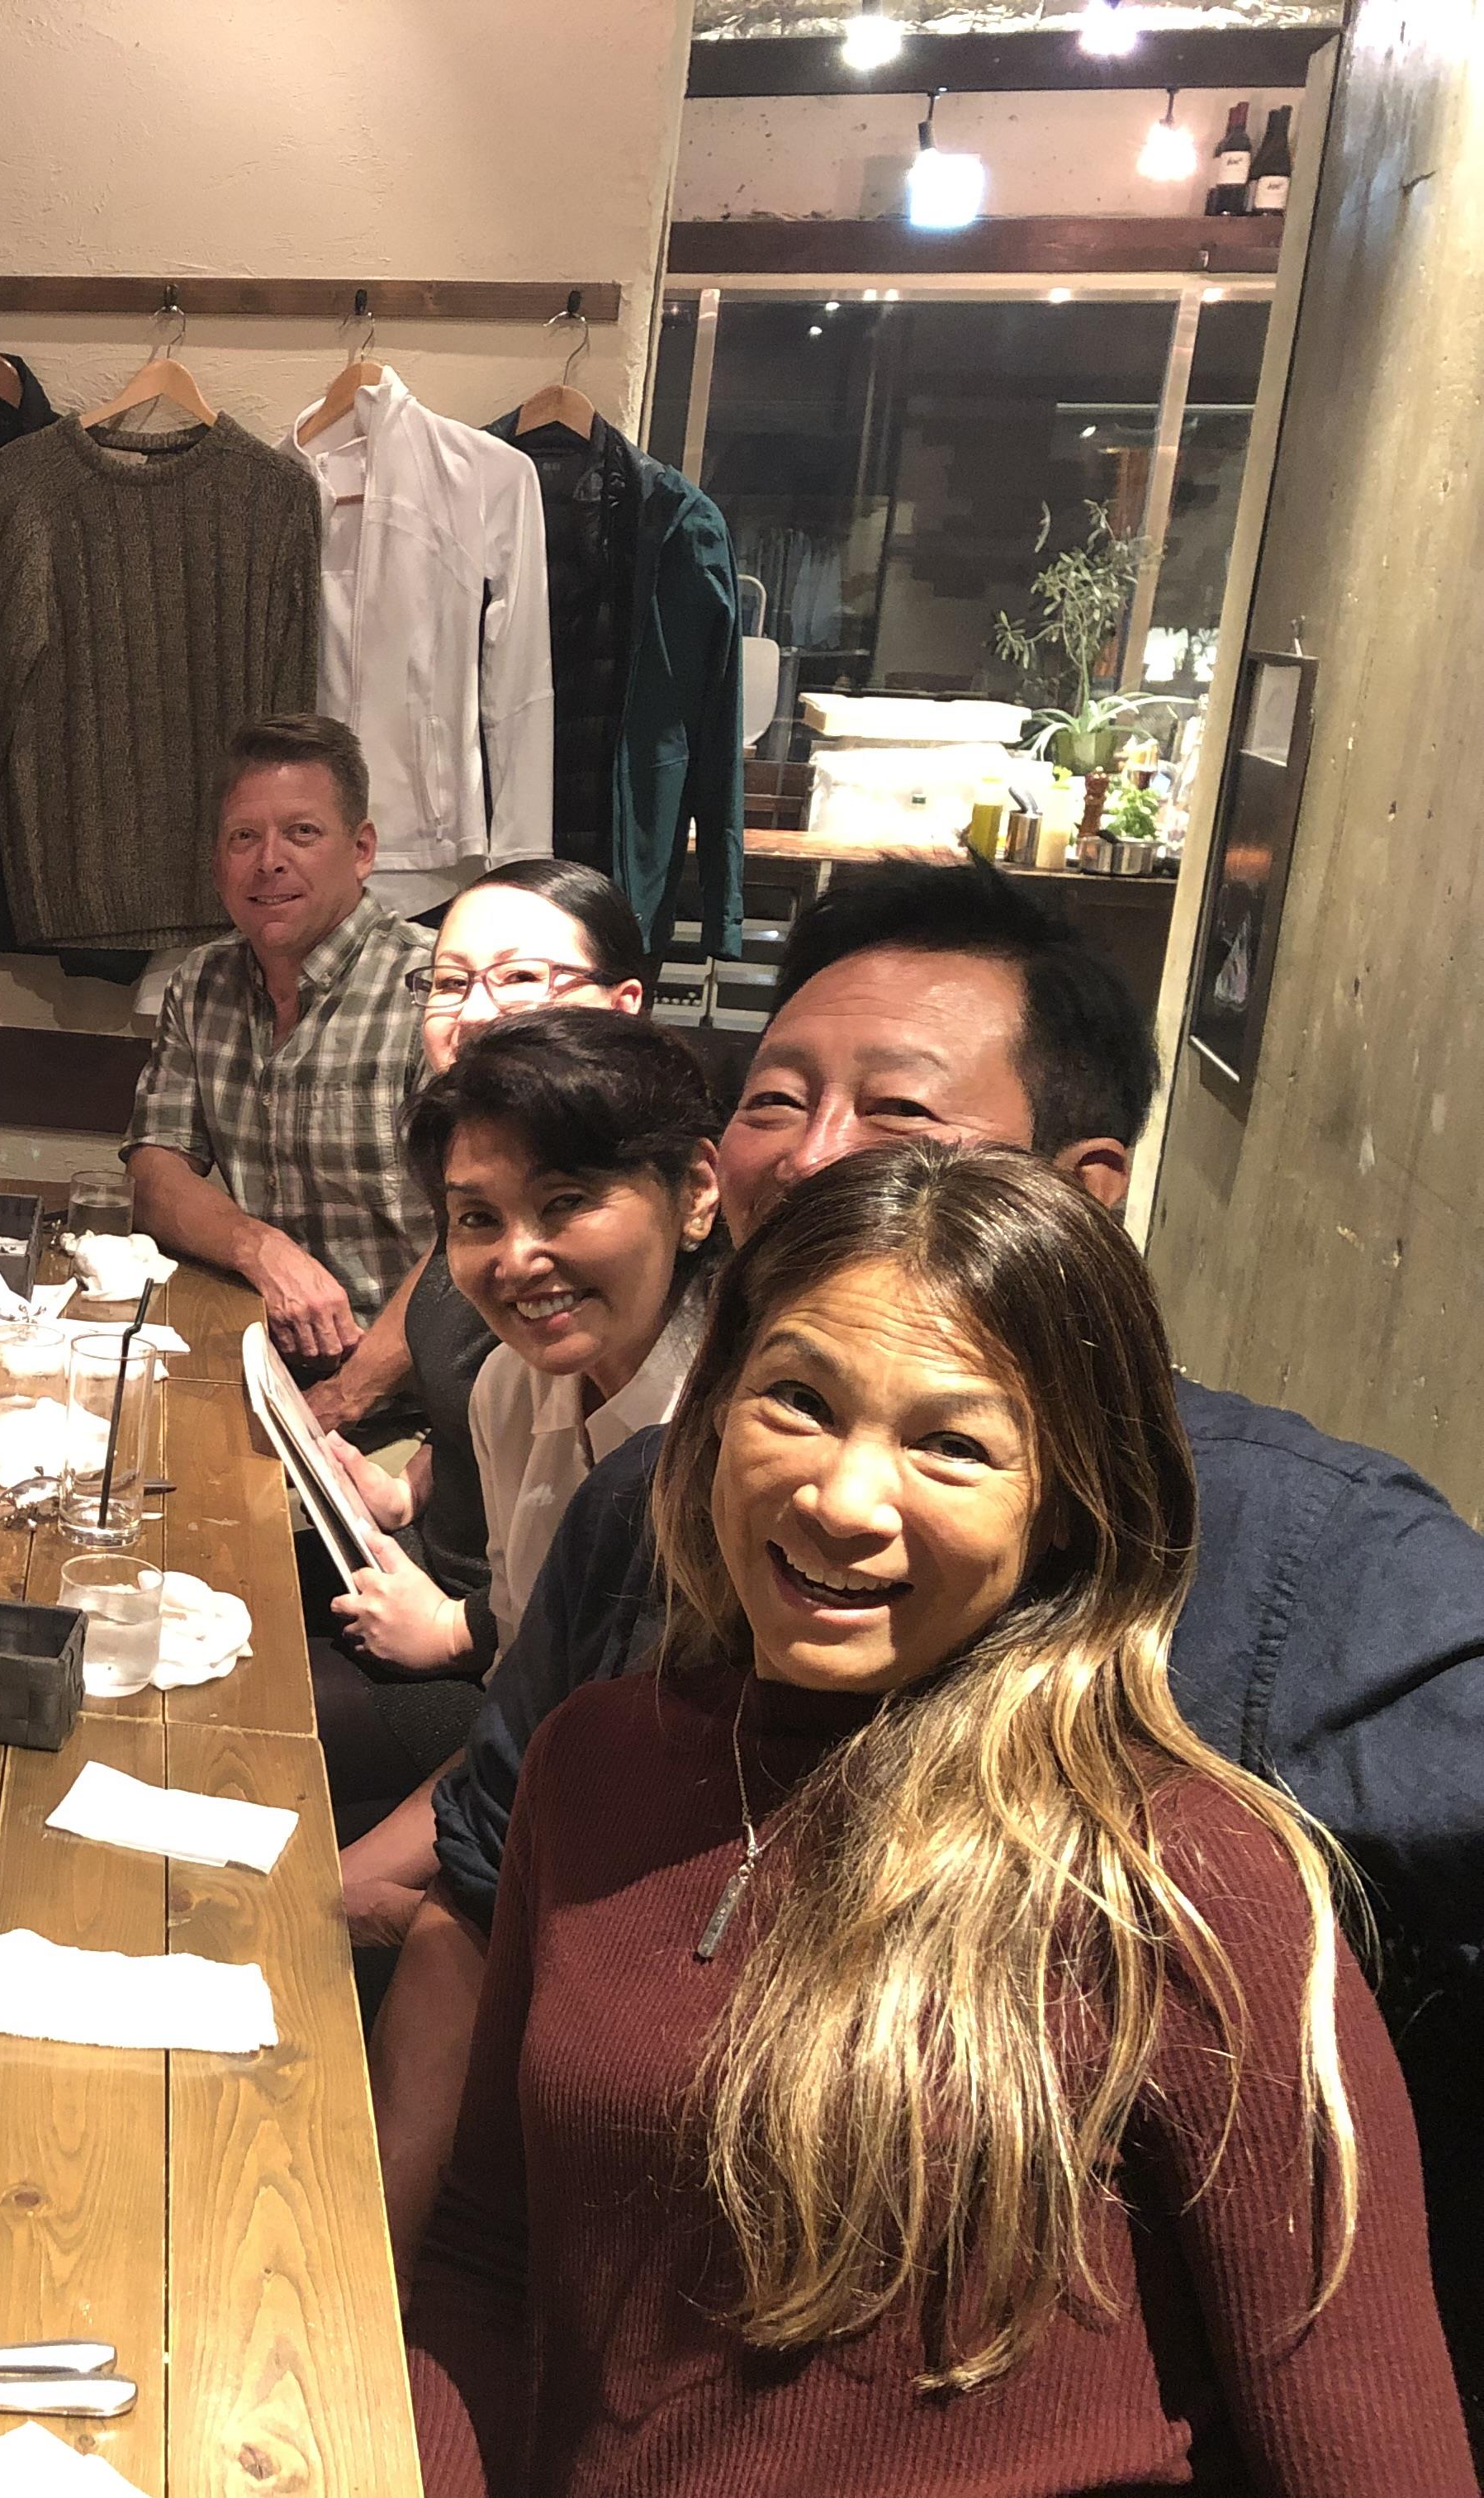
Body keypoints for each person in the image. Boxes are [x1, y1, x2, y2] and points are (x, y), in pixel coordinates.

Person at [368, 865, 1484, 2386]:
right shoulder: (651, 1495)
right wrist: (369, 2314)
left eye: (894, 1114)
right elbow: (479, 1905)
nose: (809, 1159)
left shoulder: (1301, 1555)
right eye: (774, 1099)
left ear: (1079, 1194)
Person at [351, 1008, 719, 1671]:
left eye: (567, 1201)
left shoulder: (731, 1435)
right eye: (477, 1218)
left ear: (695, 1191)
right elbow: (521, 1658)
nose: (516, 1260)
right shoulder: (509, 1388)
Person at [124, 715, 434, 1433]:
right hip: (257, 1364)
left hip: (412, 1404)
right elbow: (152, 1170)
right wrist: (259, 1247)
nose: (269, 861)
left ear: (360, 851)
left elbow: (477, 1239)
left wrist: (346, 1396)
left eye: (301, 833)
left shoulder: (437, 986)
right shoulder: (202, 982)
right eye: (244, 838)